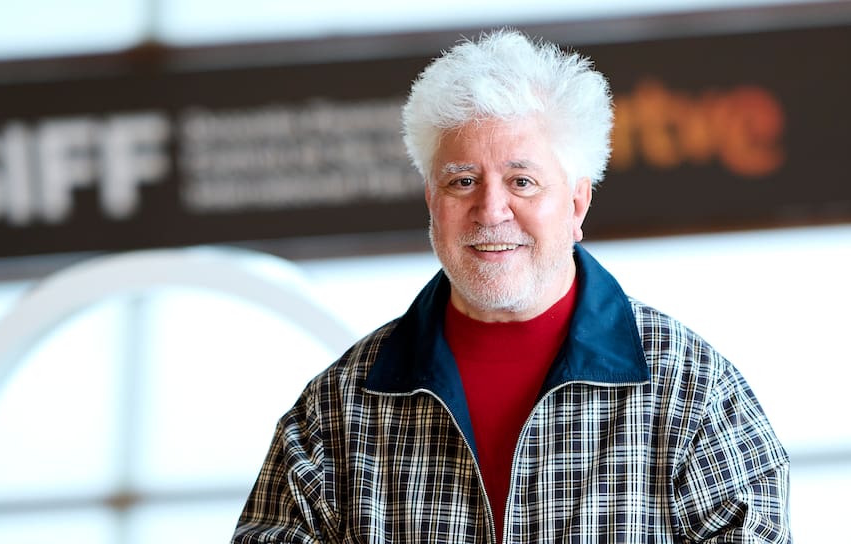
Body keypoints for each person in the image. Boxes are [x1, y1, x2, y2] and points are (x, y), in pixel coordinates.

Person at [232, 28, 791, 543]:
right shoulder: (336, 412)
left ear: (577, 203)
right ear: (432, 200)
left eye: (521, 181)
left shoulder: (693, 395)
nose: (491, 210)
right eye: (463, 181)